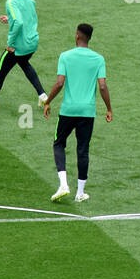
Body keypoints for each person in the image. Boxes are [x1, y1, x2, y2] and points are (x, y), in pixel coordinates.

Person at [43, 23, 112, 203]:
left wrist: (48, 101)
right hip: (87, 112)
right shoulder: (98, 59)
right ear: (89, 38)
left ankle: (63, 184)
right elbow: (102, 86)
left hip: (68, 110)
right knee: (83, 149)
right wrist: (109, 109)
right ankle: (80, 193)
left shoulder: (65, 56)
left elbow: (59, 83)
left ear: (77, 35)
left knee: (59, 143)